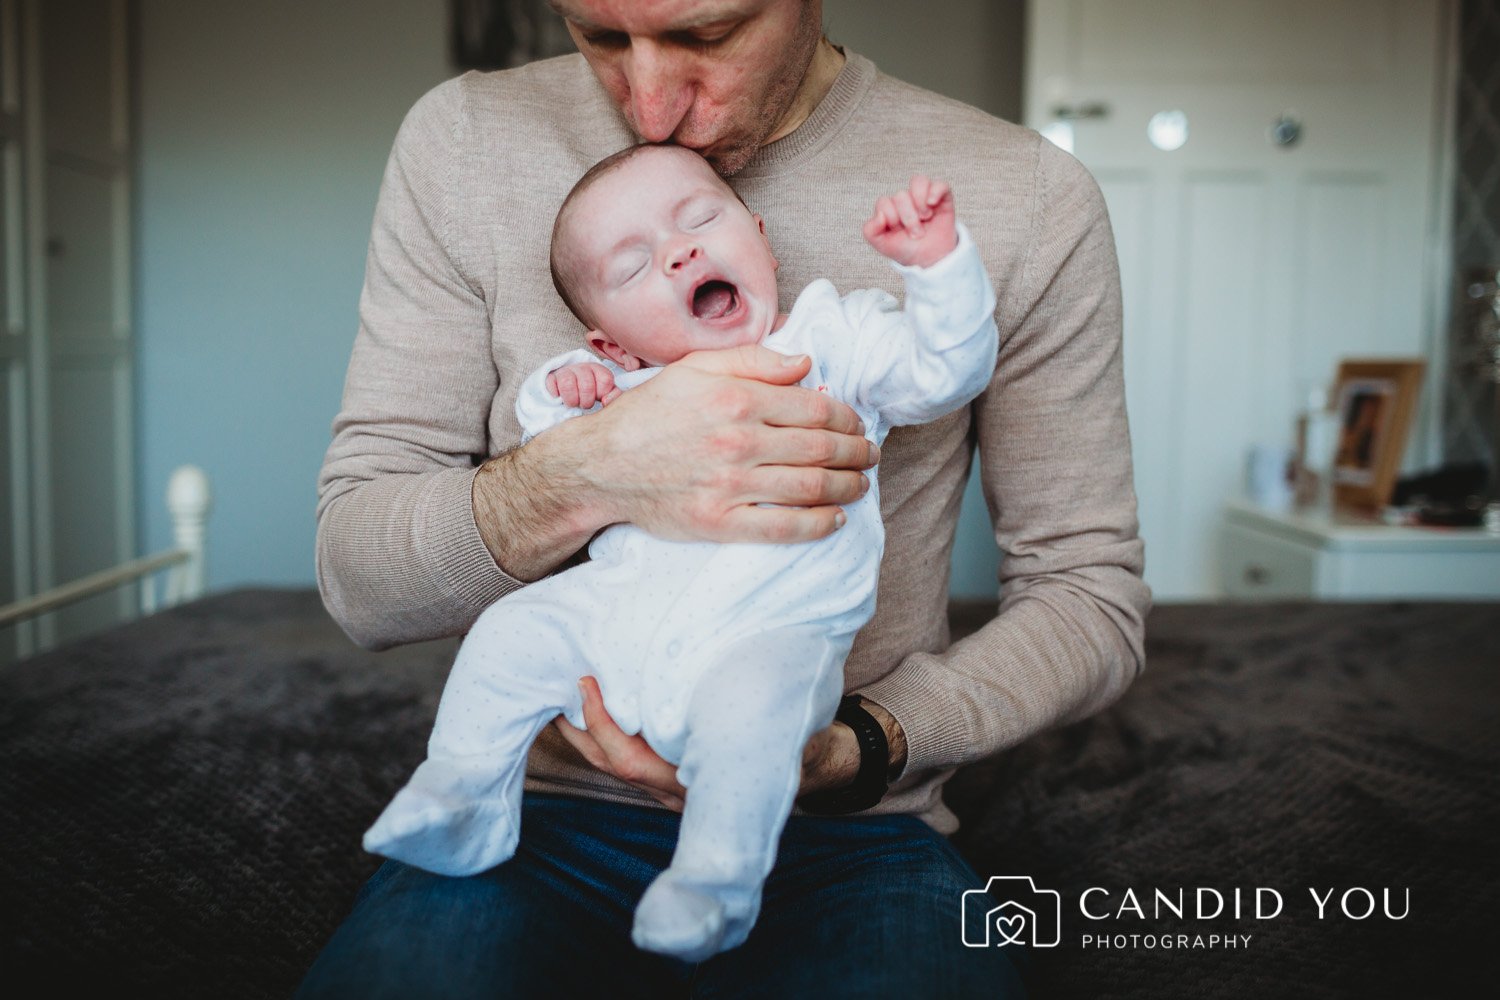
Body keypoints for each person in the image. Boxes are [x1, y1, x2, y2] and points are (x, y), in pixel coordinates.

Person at [303, 1, 1150, 995]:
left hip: (847, 825)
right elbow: (359, 578)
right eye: (600, 37)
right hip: (545, 814)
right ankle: (459, 793)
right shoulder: (467, 145)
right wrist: (590, 468)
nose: (651, 106)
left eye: (706, 36)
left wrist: (857, 748)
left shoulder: (1015, 205)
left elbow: (1089, 598)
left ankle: (719, 868)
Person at [361, 142, 999, 963]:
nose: (680, 250)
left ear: (760, 238)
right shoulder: (619, 383)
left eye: (701, 219)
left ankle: (714, 880)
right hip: (614, 626)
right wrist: (569, 391)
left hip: (769, 633)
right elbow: (548, 442)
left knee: (756, 715)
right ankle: (462, 794)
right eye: (634, 267)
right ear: (614, 341)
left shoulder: (833, 340)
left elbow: (943, 371)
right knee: (512, 634)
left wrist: (938, 269)